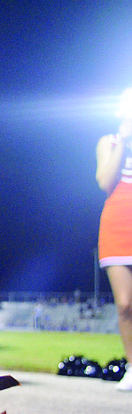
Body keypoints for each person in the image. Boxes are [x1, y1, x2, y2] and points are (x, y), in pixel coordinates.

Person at [96, 87, 132, 391]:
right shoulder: (109, 141)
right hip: (118, 224)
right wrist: (124, 139)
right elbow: (105, 180)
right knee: (125, 304)